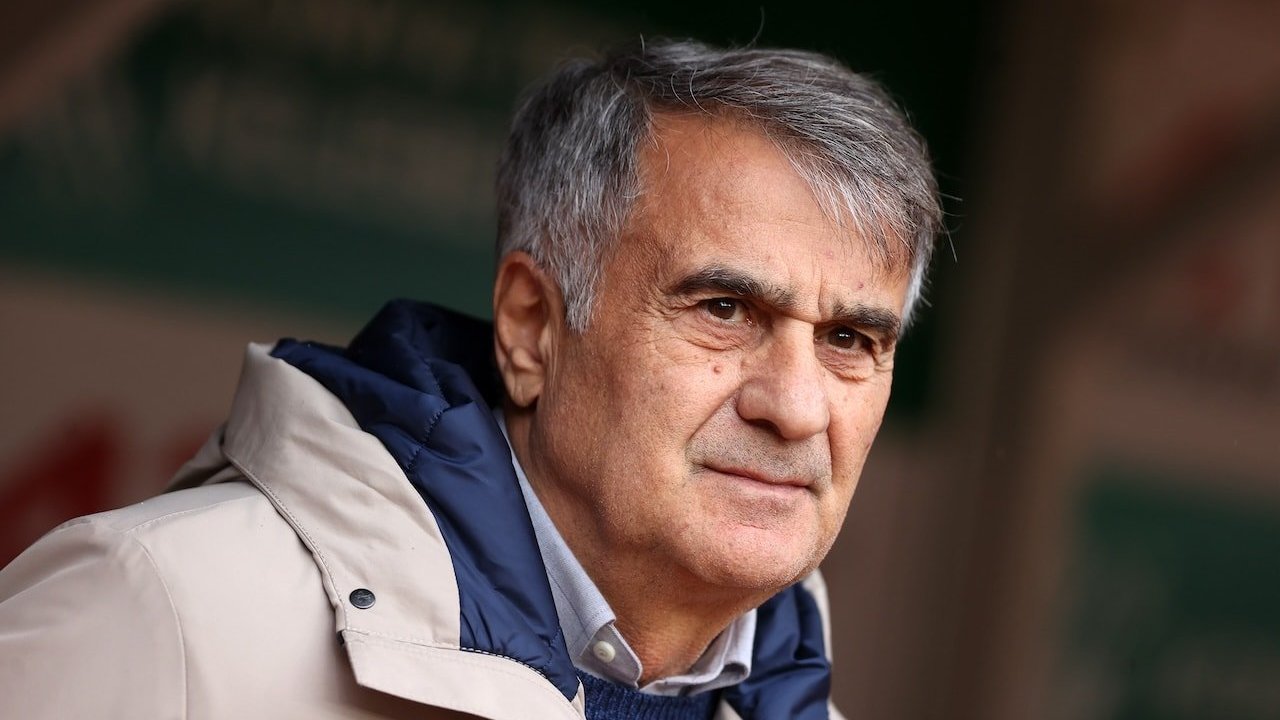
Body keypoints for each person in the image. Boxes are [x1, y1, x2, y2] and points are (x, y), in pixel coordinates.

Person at [0, 38, 940, 719]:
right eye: (723, 310)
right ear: (532, 328)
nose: (796, 406)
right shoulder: (162, 612)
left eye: (850, 338)